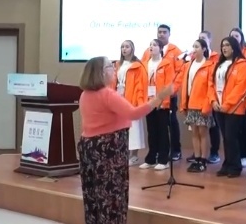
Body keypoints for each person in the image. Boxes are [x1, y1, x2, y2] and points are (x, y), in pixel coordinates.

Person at [78, 56, 174, 224]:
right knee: (112, 195)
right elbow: (133, 113)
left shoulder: (85, 94)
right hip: (108, 149)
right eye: (110, 66)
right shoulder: (107, 94)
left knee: (93, 194)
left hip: (89, 147)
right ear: (101, 73)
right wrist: (159, 98)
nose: (114, 69)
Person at [141, 25, 184, 162]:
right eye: (159, 32)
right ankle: (154, 154)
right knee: (153, 126)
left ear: (169, 34)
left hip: (168, 95)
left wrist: (172, 90)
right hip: (150, 97)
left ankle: (175, 150)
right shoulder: (147, 53)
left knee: (170, 123)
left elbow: (180, 72)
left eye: (164, 32)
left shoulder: (175, 51)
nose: (161, 34)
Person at [211, 36, 246, 177]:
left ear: (234, 47)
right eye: (223, 45)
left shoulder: (242, 64)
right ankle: (227, 163)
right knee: (225, 137)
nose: (224, 48)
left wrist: (227, 104)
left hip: (234, 108)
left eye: (227, 45)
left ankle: (235, 166)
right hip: (219, 107)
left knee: (231, 137)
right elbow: (211, 84)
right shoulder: (219, 64)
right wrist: (213, 101)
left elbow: (240, 87)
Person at [179, 38, 216, 173]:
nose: (194, 49)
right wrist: (184, 104)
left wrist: (207, 105)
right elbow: (185, 86)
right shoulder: (188, 65)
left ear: (204, 49)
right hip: (191, 103)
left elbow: (210, 87)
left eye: (197, 47)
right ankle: (197, 158)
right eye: (193, 46)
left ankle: (203, 160)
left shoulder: (209, 65)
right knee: (194, 132)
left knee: (203, 133)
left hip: (203, 104)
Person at [114, 40, 147, 166]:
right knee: (120, 127)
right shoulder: (118, 64)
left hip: (131, 98)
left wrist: (138, 102)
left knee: (133, 127)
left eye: (127, 47)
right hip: (119, 97)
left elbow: (140, 85)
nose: (124, 49)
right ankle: (123, 153)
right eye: (122, 47)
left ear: (132, 49)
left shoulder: (137, 65)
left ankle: (134, 155)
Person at [229, 27, 246, 168]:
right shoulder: (229, 54)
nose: (234, 38)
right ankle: (236, 156)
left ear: (241, 37)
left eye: (236, 36)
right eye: (231, 36)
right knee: (234, 130)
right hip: (232, 97)